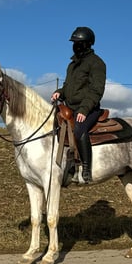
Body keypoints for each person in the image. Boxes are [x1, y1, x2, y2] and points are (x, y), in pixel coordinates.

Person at [51, 26, 106, 183]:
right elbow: (68, 86)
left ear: (87, 44)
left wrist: (84, 109)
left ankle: (86, 169)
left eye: (78, 43)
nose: (75, 46)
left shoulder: (97, 63)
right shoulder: (72, 65)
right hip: (70, 108)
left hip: (88, 109)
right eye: (74, 43)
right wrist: (60, 92)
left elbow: (96, 90)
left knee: (79, 129)